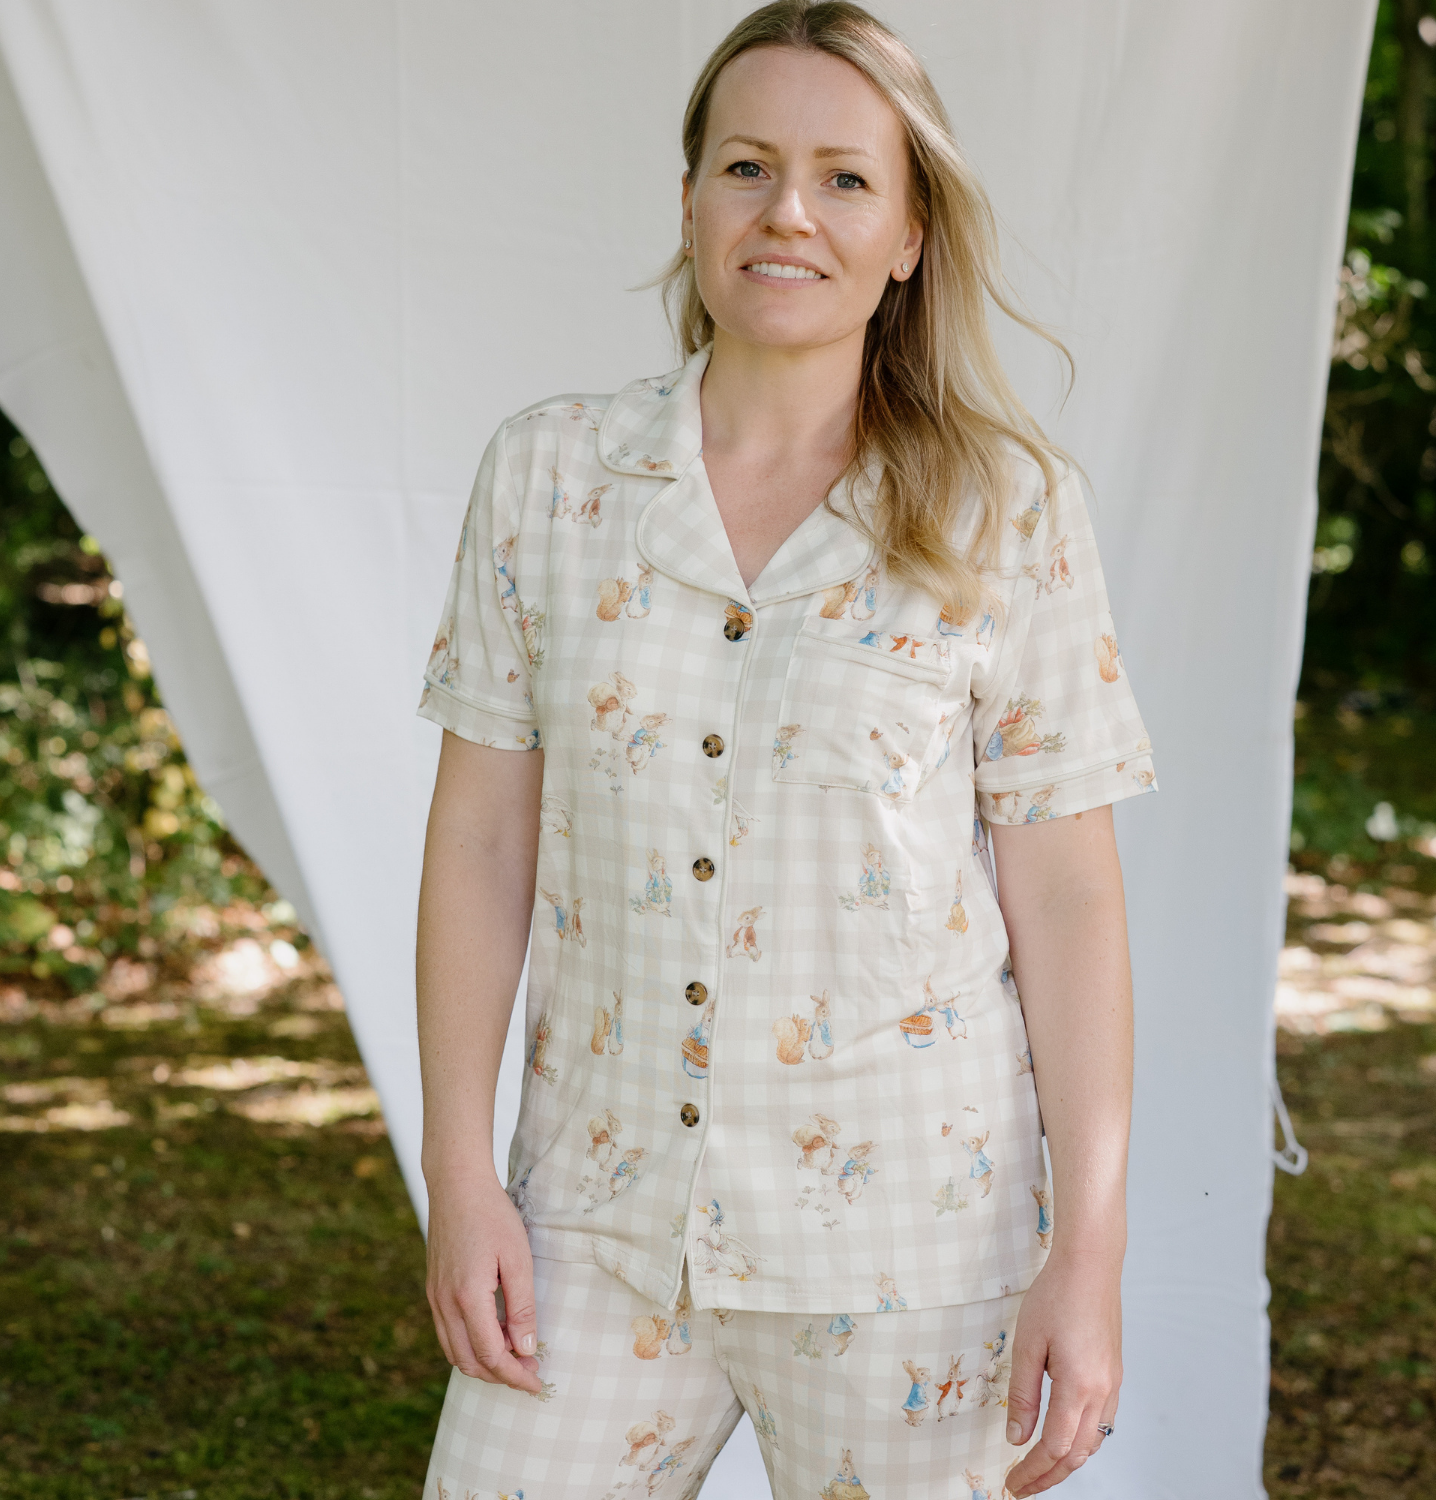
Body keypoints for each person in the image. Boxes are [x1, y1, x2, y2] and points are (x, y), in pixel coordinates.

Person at [414, 3, 1154, 1496]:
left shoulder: (1008, 510)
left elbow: (1068, 894)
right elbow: (481, 841)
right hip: (599, 1220)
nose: (788, 213)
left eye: (846, 179)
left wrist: (1089, 1249)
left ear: (911, 236)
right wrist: (460, 1174)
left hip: (912, 1246)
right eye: (747, 167)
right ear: (690, 200)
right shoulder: (550, 479)